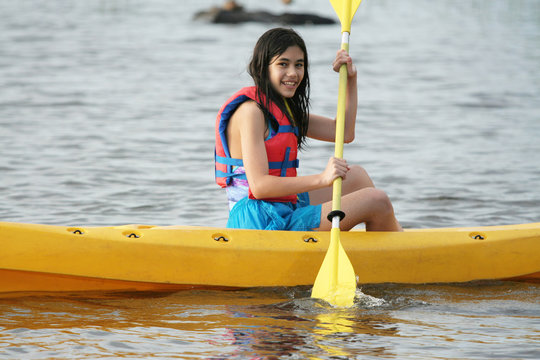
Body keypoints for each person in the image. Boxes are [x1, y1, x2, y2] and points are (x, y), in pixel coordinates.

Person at [215, 28, 402, 232]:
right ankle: (399, 252)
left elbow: (343, 133)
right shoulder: (251, 112)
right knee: (377, 201)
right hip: (260, 221)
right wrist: (322, 178)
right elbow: (259, 188)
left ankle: (391, 242)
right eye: (283, 64)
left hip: (283, 207)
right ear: (263, 68)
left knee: (356, 176)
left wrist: (350, 79)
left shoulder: (283, 110)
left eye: (299, 65)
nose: (293, 73)